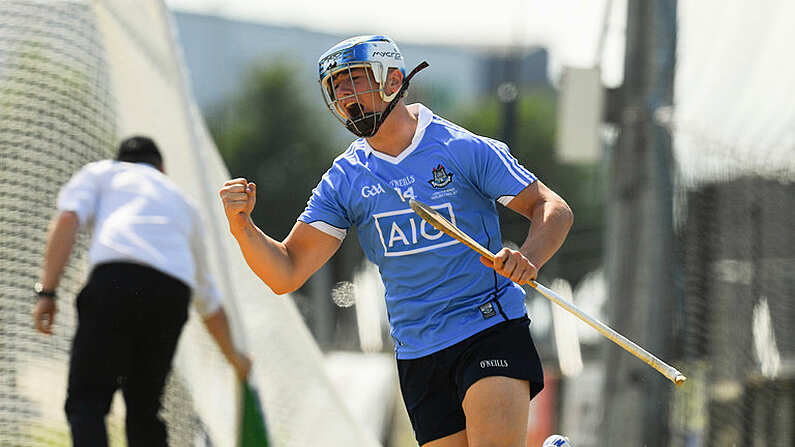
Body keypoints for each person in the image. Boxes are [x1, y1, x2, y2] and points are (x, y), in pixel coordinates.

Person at [219, 35, 573, 447]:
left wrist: (529, 257)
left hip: (488, 326)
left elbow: (552, 208)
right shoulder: (344, 180)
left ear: (391, 80)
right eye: (336, 87)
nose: (345, 95)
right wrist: (242, 228)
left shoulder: (460, 149)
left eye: (354, 80)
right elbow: (286, 272)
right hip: (418, 351)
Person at [33, 136, 251, 447]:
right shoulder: (183, 203)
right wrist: (236, 358)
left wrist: (48, 293)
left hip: (115, 280)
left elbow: (68, 218)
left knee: (88, 402)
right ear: (161, 169)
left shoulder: (102, 172)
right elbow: (208, 300)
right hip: (171, 294)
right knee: (144, 410)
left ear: (120, 160)